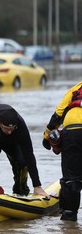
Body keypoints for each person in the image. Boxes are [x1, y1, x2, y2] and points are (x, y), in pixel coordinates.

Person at [42, 81, 82, 221]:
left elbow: (58, 114)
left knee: (71, 179)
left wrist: (47, 136)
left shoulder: (76, 88)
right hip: (73, 131)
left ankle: (69, 219)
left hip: (73, 131)